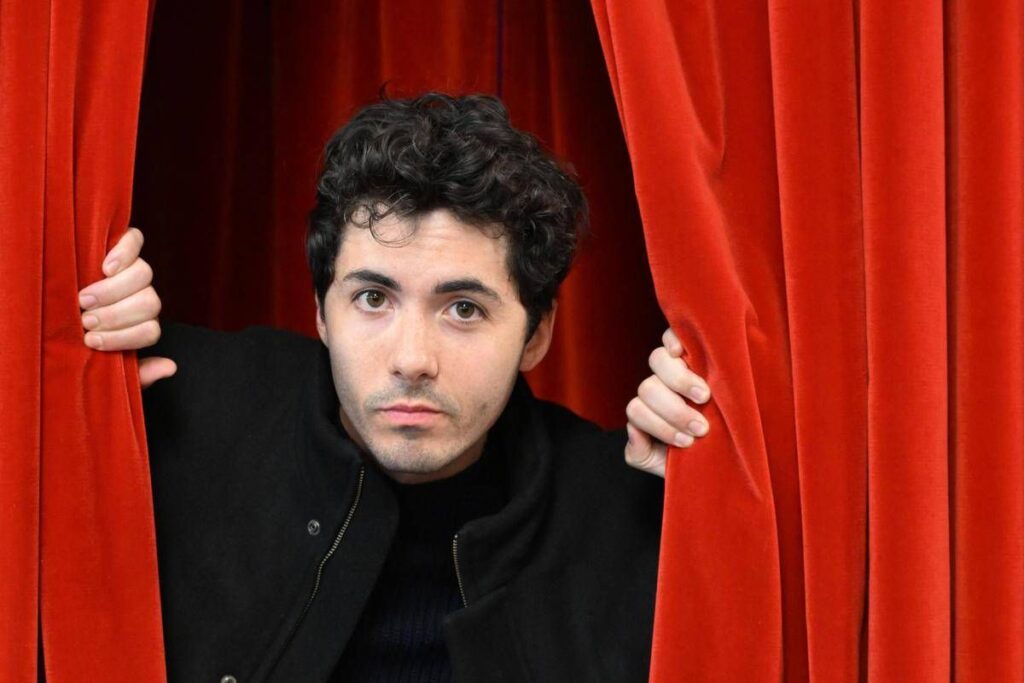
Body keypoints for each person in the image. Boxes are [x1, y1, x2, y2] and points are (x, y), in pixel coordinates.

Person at [78, 93, 713, 682]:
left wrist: (702, 512)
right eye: (373, 298)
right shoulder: (183, 402)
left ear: (536, 335)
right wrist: (77, 352)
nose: (412, 360)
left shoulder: (621, 507)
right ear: (321, 313)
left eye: (463, 309)